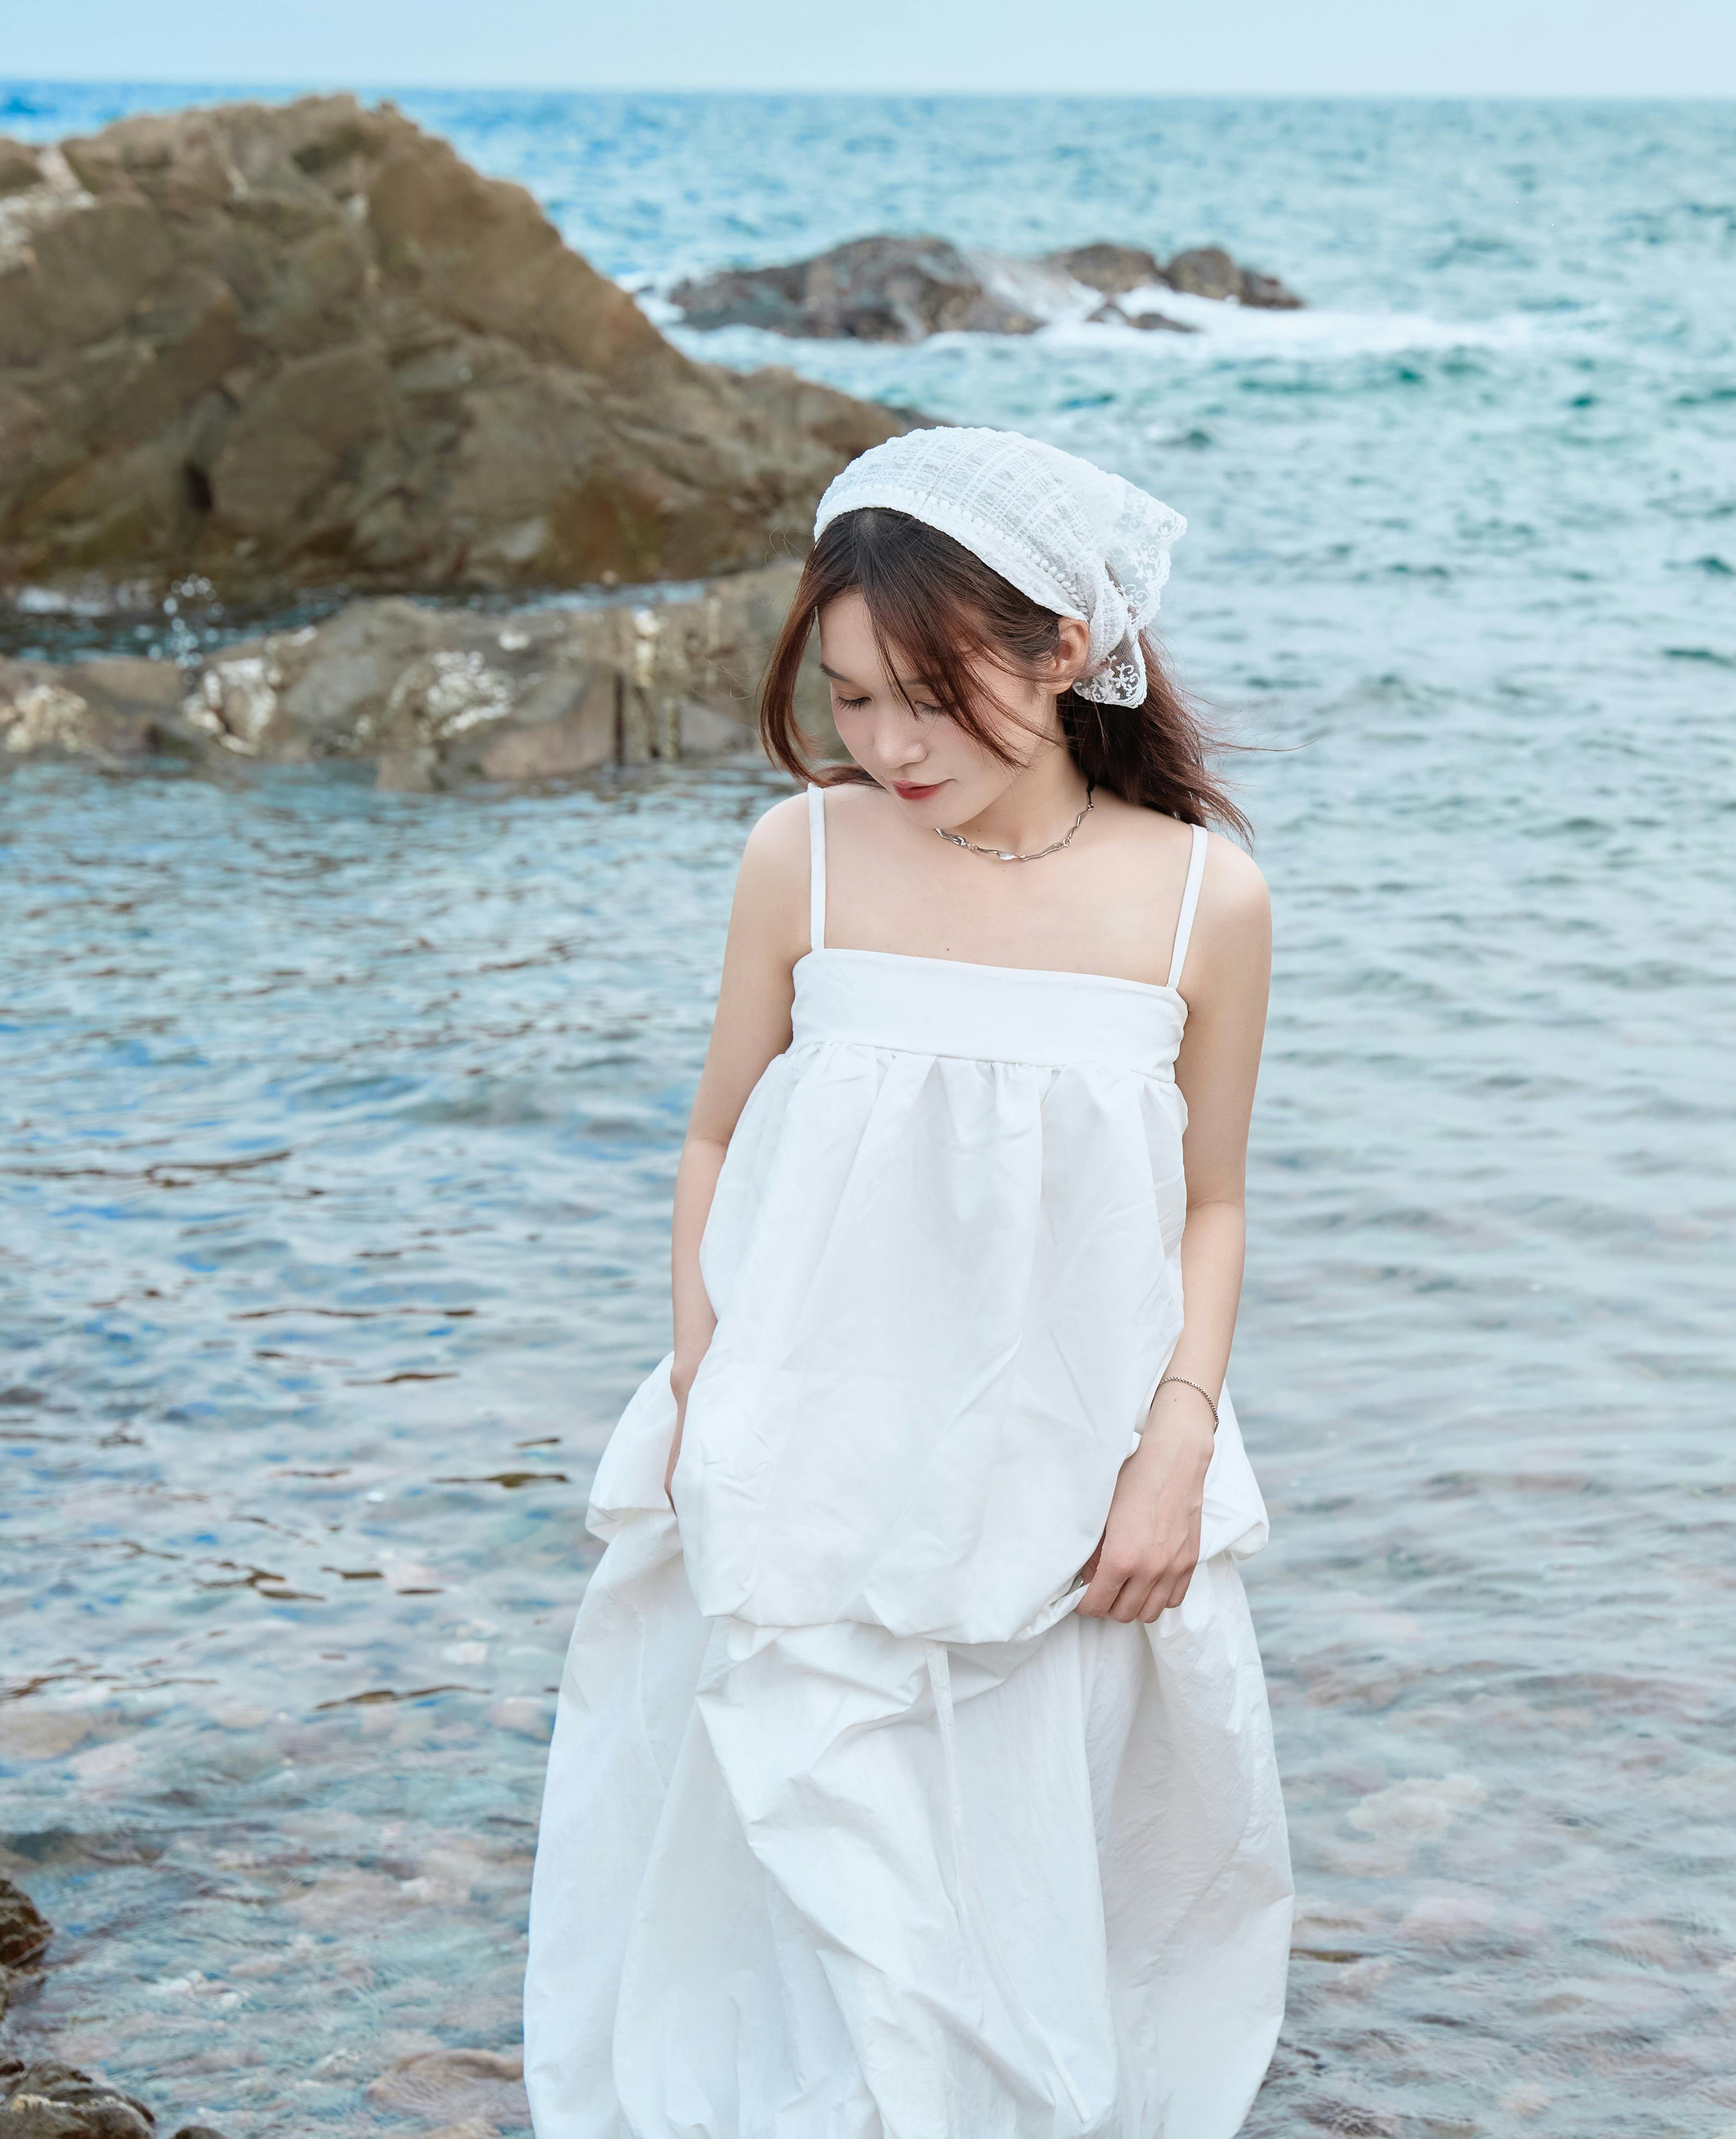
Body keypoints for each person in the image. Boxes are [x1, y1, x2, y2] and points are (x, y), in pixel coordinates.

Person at [522, 427, 1292, 2138]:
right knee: (805, 1923)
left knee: (1036, 1916)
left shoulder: (1202, 903)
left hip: (1074, 1468)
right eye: (855, 699)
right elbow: (715, 1139)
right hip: (808, 1454)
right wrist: (710, 1395)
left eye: (929, 700)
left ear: (1066, 655)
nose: (888, 745)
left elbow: (1215, 1205)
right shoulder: (800, 857)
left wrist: (1175, 1448)